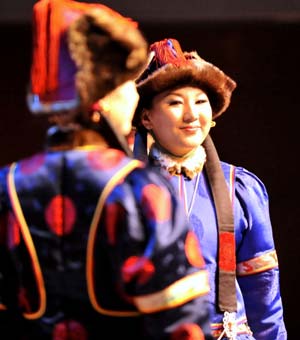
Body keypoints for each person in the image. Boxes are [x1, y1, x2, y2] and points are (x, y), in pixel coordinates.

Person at [0, 2, 214, 339]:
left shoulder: (7, 186)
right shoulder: (138, 188)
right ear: (102, 98)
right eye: (130, 84)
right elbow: (182, 323)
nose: (134, 97)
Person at [133, 38, 287, 340]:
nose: (191, 115)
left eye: (200, 101)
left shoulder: (238, 189)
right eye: (175, 102)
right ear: (147, 117)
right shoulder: (125, 190)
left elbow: (264, 290)